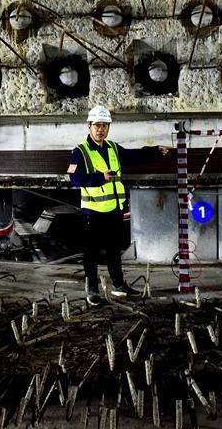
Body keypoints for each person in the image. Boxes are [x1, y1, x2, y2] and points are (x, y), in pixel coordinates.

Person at [69, 105, 171, 305]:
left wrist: (155, 151)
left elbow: (133, 157)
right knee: (91, 253)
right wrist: (100, 177)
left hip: (114, 210)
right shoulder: (80, 151)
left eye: (104, 126)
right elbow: (75, 179)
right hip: (93, 212)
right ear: (89, 126)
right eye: (97, 125)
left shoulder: (113, 148)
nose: (101, 129)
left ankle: (118, 286)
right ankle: (92, 290)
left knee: (114, 251)